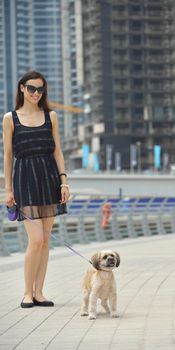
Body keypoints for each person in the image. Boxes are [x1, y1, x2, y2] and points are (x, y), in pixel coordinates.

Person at [2, 70, 70, 308]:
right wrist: (8, 189)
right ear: (22, 88)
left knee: (44, 241)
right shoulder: (10, 118)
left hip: (49, 177)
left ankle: (40, 292)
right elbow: (8, 156)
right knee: (36, 238)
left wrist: (64, 181)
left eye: (40, 90)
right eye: (31, 89)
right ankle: (26, 293)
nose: (36, 93)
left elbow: (57, 151)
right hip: (25, 178)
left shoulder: (51, 116)